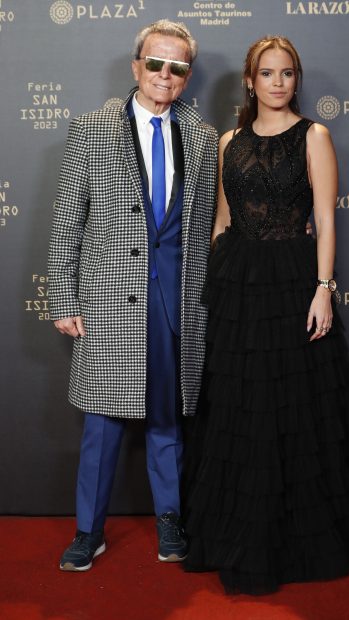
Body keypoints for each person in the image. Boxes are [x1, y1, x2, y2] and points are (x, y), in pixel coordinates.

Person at [182, 35, 349, 595]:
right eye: (267, 73)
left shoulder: (314, 136)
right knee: (239, 406)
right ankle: (239, 532)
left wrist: (323, 288)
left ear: (297, 79)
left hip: (294, 281)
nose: (278, 82)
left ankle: (295, 534)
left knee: (296, 406)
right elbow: (222, 222)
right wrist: (211, 284)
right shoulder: (229, 140)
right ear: (249, 81)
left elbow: (325, 219)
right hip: (238, 282)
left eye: (288, 72)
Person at [48, 19, 218, 571]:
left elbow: (212, 224)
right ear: (135, 65)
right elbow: (66, 221)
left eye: (178, 67)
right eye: (155, 63)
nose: (165, 75)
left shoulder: (202, 136)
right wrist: (63, 298)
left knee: (169, 419)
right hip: (107, 303)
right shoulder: (90, 129)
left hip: (178, 302)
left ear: (187, 77)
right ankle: (87, 530)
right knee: (103, 424)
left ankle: (169, 518)